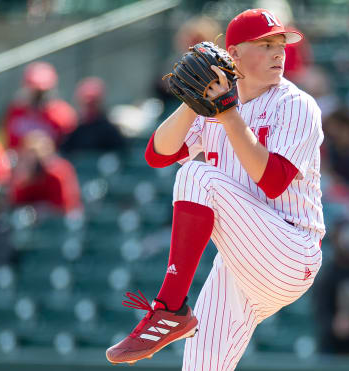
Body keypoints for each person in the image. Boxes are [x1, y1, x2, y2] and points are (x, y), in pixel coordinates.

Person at [106, 9, 325, 370]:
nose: (278, 53)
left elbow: (272, 181)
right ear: (234, 54)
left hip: (291, 249)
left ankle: (170, 308)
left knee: (197, 175)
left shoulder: (296, 104)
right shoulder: (217, 106)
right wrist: (194, 103)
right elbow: (157, 154)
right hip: (241, 263)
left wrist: (226, 113)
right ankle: (171, 313)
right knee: (200, 366)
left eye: (280, 44)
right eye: (266, 44)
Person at [3, 61, 77, 149]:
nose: (38, 96)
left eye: (42, 92)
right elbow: (10, 144)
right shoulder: (16, 111)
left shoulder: (63, 114)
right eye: (34, 90)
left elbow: (68, 148)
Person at [9, 130, 82, 215]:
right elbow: (17, 202)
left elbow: (62, 209)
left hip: (62, 221)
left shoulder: (57, 175)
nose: (30, 161)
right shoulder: (26, 175)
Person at [60, 77, 125, 154]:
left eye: (93, 103)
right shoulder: (73, 129)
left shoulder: (109, 130)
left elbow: (120, 153)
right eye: (86, 102)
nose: (89, 107)